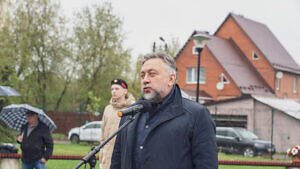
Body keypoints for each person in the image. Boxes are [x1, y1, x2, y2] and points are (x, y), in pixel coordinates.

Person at [110, 53, 218, 169]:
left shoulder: (197, 115)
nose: (145, 80)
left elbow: (207, 165)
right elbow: (117, 160)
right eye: (142, 75)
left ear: (171, 79)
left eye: (152, 74)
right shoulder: (130, 114)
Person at [99, 78, 136, 169]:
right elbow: (103, 133)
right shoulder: (108, 109)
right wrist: (101, 151)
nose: (114, 91)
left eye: (117, 89)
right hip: (106, 157)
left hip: (123, 156)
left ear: (125, 91)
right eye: (112, 89)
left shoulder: (133, 109)